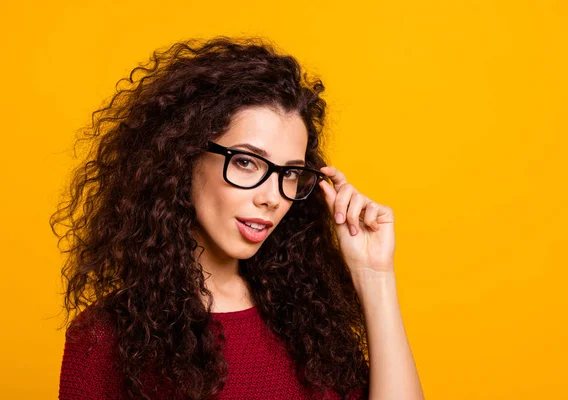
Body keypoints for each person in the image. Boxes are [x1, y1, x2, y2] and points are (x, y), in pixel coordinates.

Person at [51, 36, 424, 400]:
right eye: (246, 162)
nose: (272, 197)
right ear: (183, 158)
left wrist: (374, 275)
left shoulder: (309, 322)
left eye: (289, 173)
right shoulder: (107, 338)